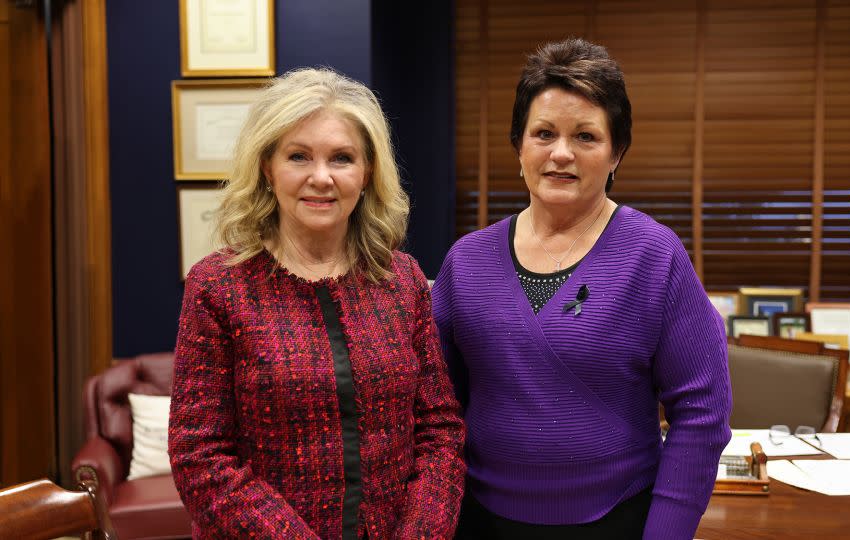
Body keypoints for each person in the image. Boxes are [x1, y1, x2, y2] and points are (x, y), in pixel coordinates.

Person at [432, 38, 732, 539]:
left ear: (617, 153)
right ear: (519, 147)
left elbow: (702, 414)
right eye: (544, 133)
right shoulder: (466, 261)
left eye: (586, 137)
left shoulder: (654, 256)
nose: (561, 154)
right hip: (478, 519)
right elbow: (436, 408)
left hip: (616, 520)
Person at [168, 68, 466, 539]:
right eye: (299, 156)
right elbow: (199, 455)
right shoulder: (218, 286)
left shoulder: (401, 280)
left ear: (367, 172)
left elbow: (439, 431)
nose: (321, 178)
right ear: (268, 167)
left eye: (342, 158)